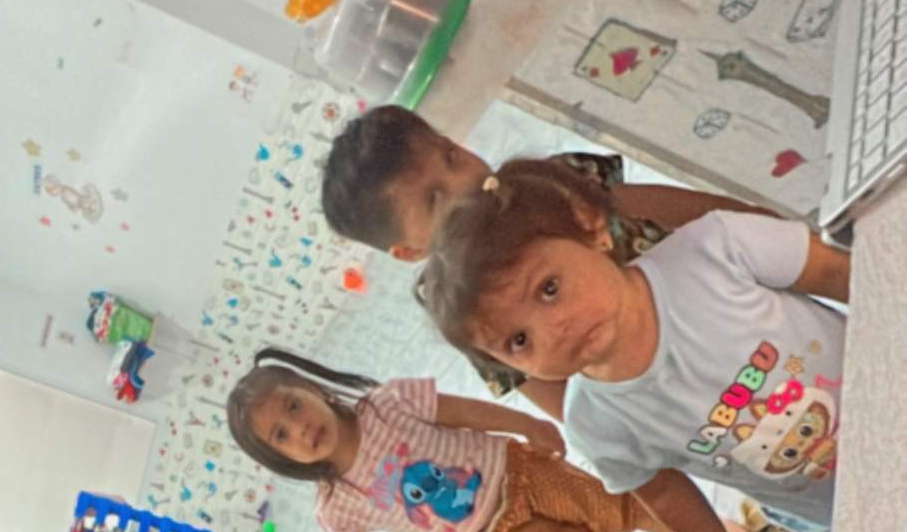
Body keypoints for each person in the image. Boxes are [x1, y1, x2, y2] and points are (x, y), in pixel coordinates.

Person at [419, 158, 849, 532]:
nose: (553, 331)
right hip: (834, 502)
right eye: (519, 340)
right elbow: (661, 491)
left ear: (592, 230)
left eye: (549, 289)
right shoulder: (594, 422)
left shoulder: (716, 248)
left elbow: (835, 271)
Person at [319, 105, 767, 409]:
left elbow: (683, 210)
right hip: (691, 392)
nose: (464, 183)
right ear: (411, 252)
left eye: (451, 156)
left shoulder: (548, 185)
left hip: (726, 293)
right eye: (435, 200)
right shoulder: (467, 312)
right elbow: (573, 405)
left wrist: (760, 224)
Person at [226, 347, 713, 532]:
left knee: (617, 509)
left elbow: (462, 411)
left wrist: (528, 424)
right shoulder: (338, 506)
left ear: (314, 390)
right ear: (282, 458)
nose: (300, 428)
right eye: (282, 435)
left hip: (519, 473)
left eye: (294, 406)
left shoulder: (387, 403)